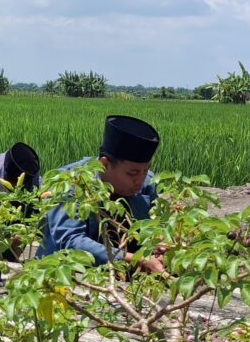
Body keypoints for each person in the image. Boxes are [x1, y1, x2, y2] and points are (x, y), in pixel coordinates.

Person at [39, 115, 164, 272]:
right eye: (132, 173)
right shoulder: (70, 182)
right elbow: (71, 241)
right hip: (69, 276)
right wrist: (136, 260)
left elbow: (154, 227)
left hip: (128, 280)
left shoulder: (147, 183)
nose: (140, 180)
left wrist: (158, 243)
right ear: (104, 165)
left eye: (145, 170)